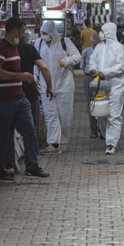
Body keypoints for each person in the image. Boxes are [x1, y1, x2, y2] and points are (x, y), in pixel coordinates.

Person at [0, 17, 50, 181]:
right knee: (4, 135)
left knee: (30, 132)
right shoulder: (0, 48)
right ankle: (0, 169)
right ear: (14, 31)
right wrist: (21, 76)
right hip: (4, 100)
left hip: (19, 98)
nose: (24, 34)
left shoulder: (14, 47)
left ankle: (32, 166)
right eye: (23, 31)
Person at [35, 20, 81, 154]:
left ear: (52, 33)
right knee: (50, 115)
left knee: (64, 114)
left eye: (45, 33)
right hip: (46, 84)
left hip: (64, 84)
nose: (43, 35)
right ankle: (54, 144)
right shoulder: (38, 43)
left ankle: (63, 141)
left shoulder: (64, 42)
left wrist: (67, 60)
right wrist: (35, 75)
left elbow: (78, 56)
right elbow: (35, 61)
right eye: (42, 32)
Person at [89, 23, 124, 154]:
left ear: (109, 32)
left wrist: (105, 72)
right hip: (101, 85)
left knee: (114, 114)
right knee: (101, 113)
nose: (100, 33)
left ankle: (111, 143)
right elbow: (92, 60)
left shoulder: (120, 48)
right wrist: (93, 69)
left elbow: (120, 67)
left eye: (102, 31)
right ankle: (107, 137)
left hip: (116, 85)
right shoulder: (99, 47)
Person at [16, 28, 55, 138]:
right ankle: (31, 152)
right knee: (31, 127)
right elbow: (44, 68)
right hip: (29, 92)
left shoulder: (3, 49)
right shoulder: (29, 49)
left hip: (9, 94)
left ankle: (14, 152)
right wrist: (49, 87)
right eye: (23, 31)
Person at [81, 33, 101, 138]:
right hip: (89, 77)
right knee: (91, 104)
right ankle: (93, 130)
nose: (95, 46)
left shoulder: (104, 51)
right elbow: (82, 66)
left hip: (101, 78)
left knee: (101, 102)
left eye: (97, 44)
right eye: (93, 44)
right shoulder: (86, 51)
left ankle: (102, 129)